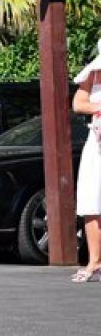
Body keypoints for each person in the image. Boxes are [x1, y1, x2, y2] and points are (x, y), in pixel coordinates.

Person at [71, 40, 101, 282]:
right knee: (91, 200)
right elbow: (78, 104)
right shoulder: (93, 74)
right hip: (97, 143)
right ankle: (94, 261)